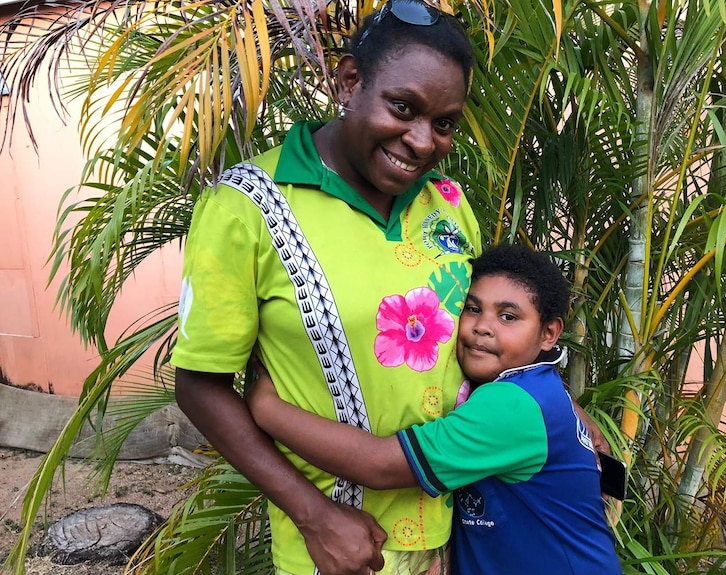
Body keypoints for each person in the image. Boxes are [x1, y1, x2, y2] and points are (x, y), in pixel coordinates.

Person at [171, 1, 606, 574]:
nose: (423, 141)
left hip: (449, 534)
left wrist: (553, 402)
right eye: (403, 107)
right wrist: (313, 515)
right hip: (340, 546)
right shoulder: (245, 208)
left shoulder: (446, 206)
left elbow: (484, 335)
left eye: (444, 123)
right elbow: (198, 385)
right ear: (350, 80)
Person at [247, 244, 623, 575]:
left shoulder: (511, 406)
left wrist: (267, 409)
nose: (482, 327)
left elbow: (379, 464)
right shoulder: (530, 388)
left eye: (508, 316)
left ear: (549, 334)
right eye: (473, 309)